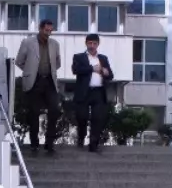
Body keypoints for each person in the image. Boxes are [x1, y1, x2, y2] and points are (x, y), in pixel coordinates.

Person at [14, 19, 62, 154]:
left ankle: (49, 143)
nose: (48, 33)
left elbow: (58, 62)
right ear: (40, 29)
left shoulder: (54, 44)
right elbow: (19, 61)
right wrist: (30, 71)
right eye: (46, 30)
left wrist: (49, 70)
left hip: (49, 81)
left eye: (50, 31)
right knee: (33, 113)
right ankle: (34, 144)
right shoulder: (28, 42)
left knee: (54, 110)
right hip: (34, 81)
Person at [71, 34, 112, 152]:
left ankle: (93, 143)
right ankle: (81, 137)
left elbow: (110, 75)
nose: (92, 46)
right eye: (90, 43)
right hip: (84, 92)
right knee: (82, 117)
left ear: (98, 44)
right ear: (86, 43)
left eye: (94, 43)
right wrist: (92, 68)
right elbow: (75, 70)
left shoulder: (103, 58)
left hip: (98, 92)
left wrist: (105, 72)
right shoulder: (79, 57)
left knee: (97, 118)